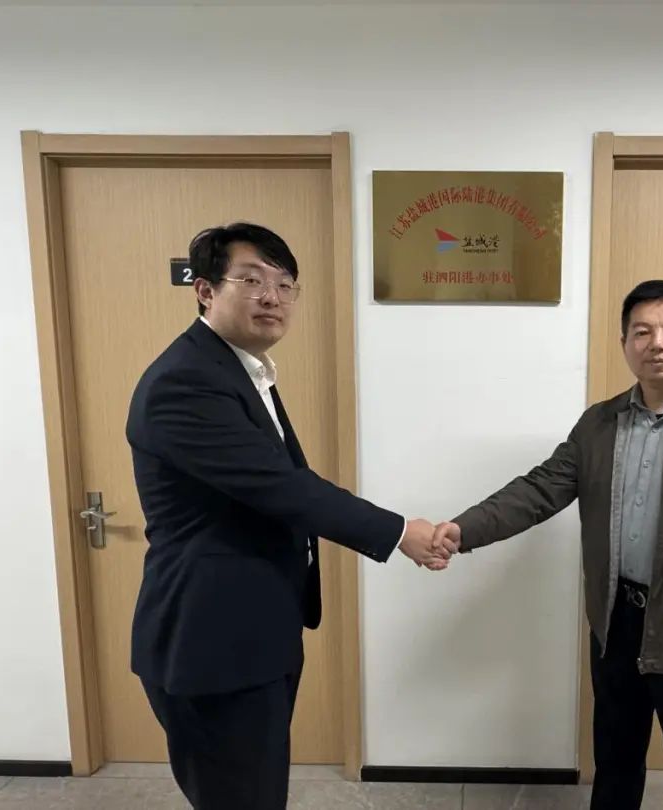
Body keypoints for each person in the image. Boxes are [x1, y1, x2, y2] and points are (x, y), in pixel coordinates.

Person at [433, 280, 663, 810]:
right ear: (624, 343)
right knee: (615, 763)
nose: (658, 343)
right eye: (642, 332)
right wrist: (464, 530)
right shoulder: (599, 424)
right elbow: (539, 489)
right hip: (616, 625)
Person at [126, 222, 450, 810]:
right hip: (211, 641)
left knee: (258, 788)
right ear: (205, 290)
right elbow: (282, 488)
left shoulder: (240, 369)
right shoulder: (185, 382)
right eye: (250, 281)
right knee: (241, 796)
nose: (271, 297)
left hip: (254, 631)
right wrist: (401, 532)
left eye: (284, 284)